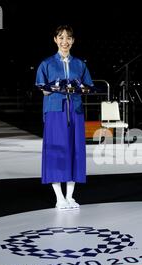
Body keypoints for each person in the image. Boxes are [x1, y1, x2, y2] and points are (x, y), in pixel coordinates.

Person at [35, 25, 93, 210]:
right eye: (61, 37)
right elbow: (43, 90)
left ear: (73, 41)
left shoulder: (79, 64)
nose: (64, 41)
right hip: (55, 111)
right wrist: (57, 87)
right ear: (55, 40)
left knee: (75, 151)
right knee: (56, 151)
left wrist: (79, 88)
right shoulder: (47, 64)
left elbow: (87, 87)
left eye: (68, 38)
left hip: (75, 110)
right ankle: (59, 197)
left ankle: (70, 196)